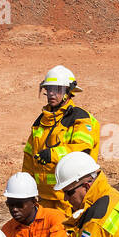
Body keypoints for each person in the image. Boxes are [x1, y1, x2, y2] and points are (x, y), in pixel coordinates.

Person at [21, 65, 100, 213]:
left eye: (57, 89)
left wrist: (53, 154)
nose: (51, 94)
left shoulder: (79, 118)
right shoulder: (40, 122)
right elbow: (29, 158)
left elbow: (83, 149)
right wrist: (26, 187)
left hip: (69, 197)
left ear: (68, 92)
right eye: (48, 89)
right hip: (43, 199)